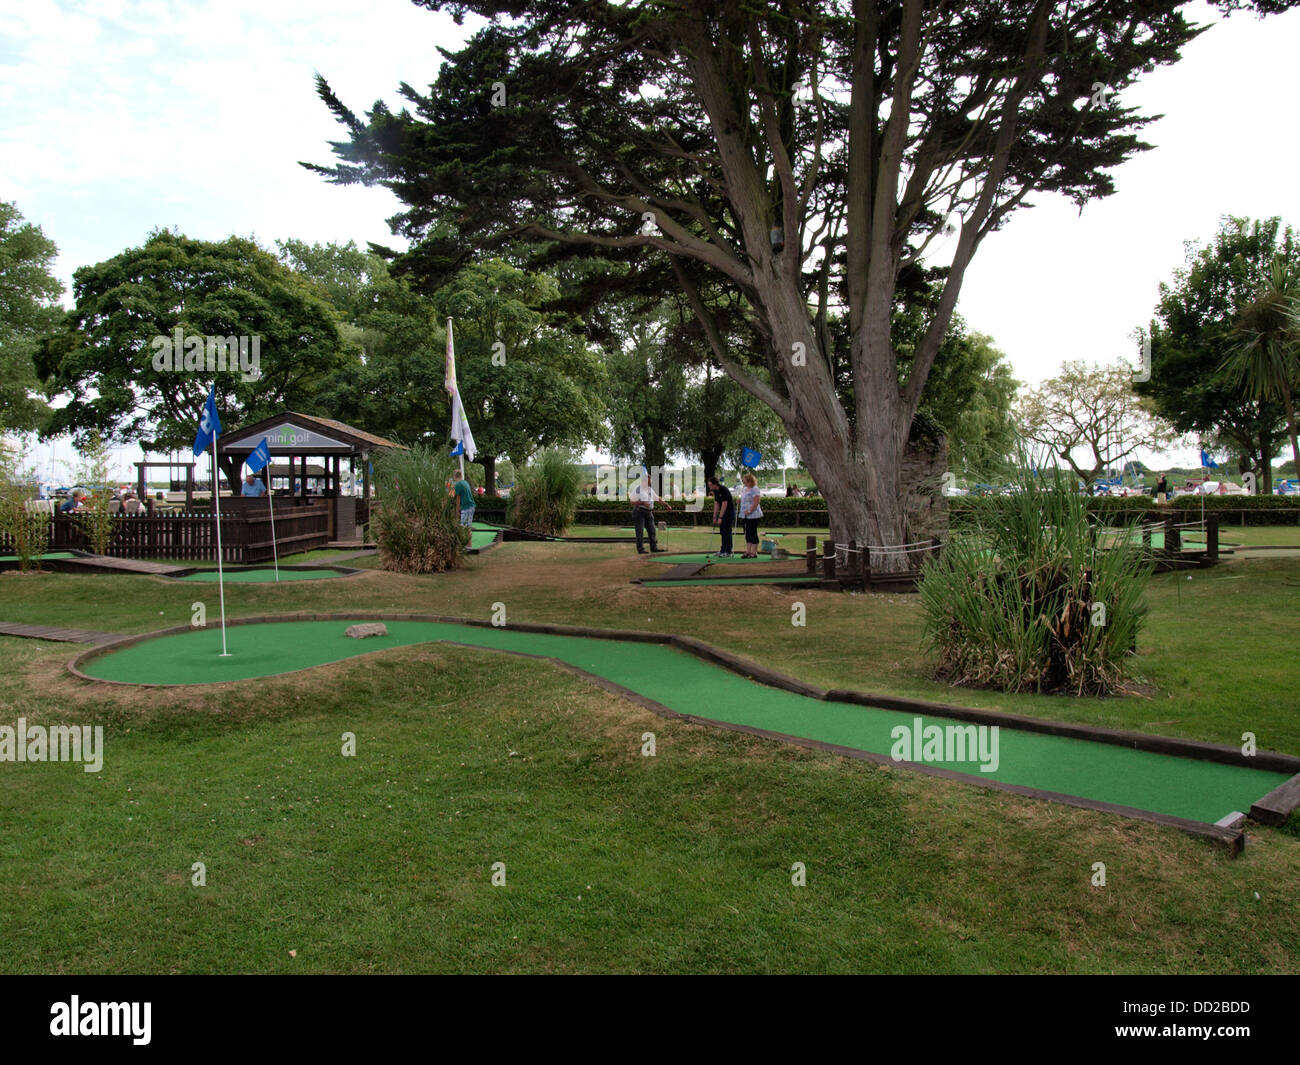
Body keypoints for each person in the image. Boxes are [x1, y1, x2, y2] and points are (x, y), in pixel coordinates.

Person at [629, 471, 670, 553]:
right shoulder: (637, 489)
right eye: (648, 480)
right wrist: (642, 503)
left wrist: (666, 505)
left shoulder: (650, 489)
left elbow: (657, 498)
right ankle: (641, 549)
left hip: (649, 512)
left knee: (652, 530)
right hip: (639, 512)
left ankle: (654, 548)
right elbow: (632, 502)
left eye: (649, 480)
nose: (649, 482)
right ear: (643, 481)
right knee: (640, 531)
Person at [738, 472, 764, 558]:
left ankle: (754, 552)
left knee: (752, 532)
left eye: (745, 481)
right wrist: (739, 501)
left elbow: (756, 501)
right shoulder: (745, 489)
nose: (744, 483)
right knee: (747, 533)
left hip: (753, 515)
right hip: (744, 515)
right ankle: (748, 551)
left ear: (750, 481)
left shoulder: (755, 489)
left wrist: (749, 510)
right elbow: (744, 499)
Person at [707, 476, 734, 557]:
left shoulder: (723, 489)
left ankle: (728, 551)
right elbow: (717, 504)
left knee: (727, 531)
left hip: (729, 512)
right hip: (723, 512)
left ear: (715, 484)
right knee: (722, 532)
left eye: (711, 485)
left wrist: (720, 517)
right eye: (709, 485)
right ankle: (722, 550)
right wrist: (715, 517)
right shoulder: (715, 491)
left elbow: (724, 504)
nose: (709, 486)